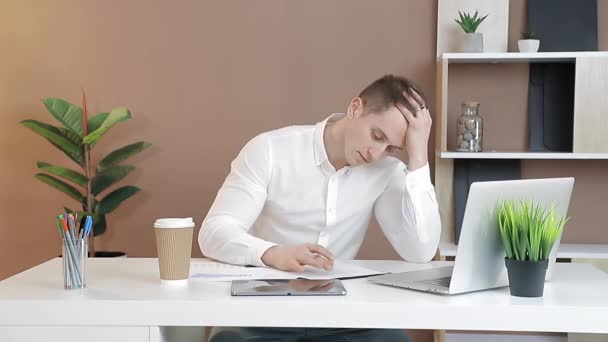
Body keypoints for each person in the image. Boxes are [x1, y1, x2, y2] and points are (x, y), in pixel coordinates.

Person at [199, 74, 442, 342]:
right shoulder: (270, 150)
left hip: (343, 315)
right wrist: (272, 253)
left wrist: (419, 158)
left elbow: (421, 251)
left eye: (391, 148)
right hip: (262, 311)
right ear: (355, 108)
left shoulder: (385, 171)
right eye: (376, 135)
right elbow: (214, 232)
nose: (376, 153)